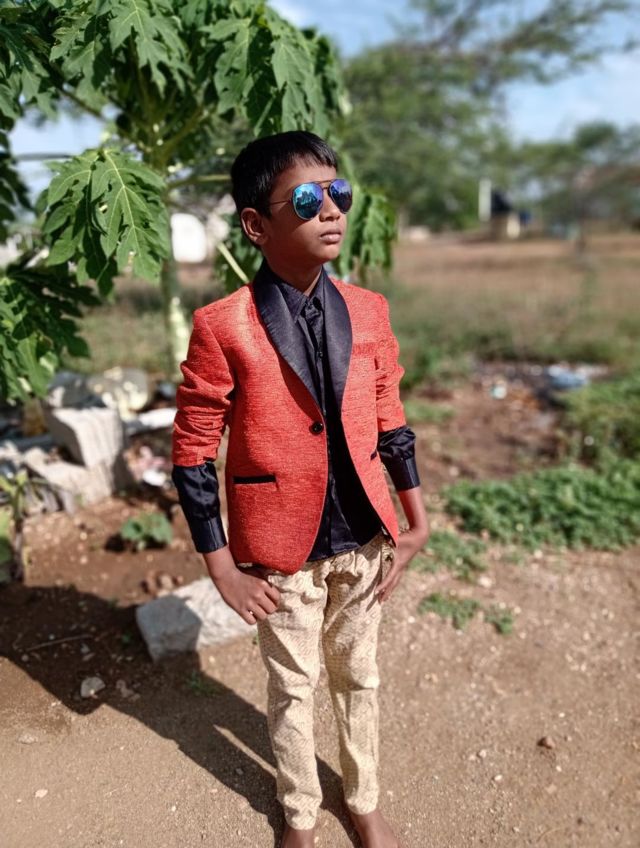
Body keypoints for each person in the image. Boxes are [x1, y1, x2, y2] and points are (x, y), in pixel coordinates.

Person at [171, 130, 430, 848]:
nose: (333, 210)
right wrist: (221, 566)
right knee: (291, 687)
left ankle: (363, 798)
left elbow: (391, 418)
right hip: (280, 551)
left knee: (360, 675)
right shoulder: (223, 326)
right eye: (309, 199)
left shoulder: (369, 309)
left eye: (338, 193)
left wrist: (416, 521)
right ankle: (299, 812)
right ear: (256, 225)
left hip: (365, 537)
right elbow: (193, 452)